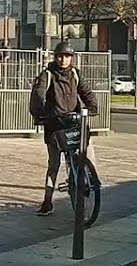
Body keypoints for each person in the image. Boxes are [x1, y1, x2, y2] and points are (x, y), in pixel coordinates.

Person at [29, 41, 98, 216]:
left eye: (67, 56)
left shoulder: (75, 74)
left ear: (71, 59)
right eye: (60, 56)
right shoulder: (47, 75)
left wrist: (92, 107)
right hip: (55, 125)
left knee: (87, 153)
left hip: (74, 122)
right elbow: (38, 93)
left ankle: (91, 181)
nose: (63, 59)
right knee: (53, 165)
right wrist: (39, 114)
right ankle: (47, 201)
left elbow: (86, 92)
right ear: (55, 57)